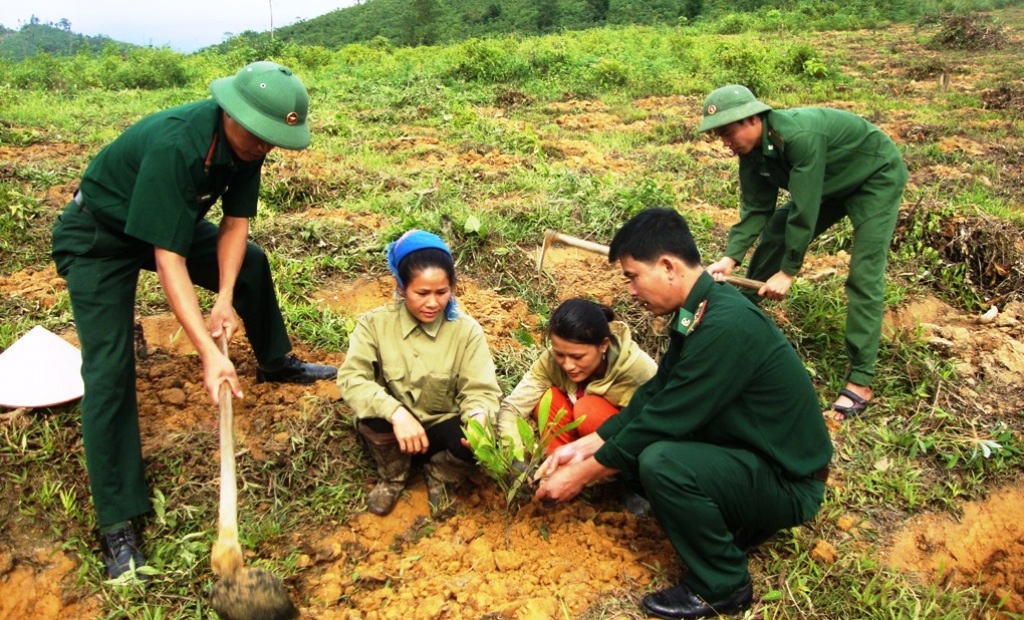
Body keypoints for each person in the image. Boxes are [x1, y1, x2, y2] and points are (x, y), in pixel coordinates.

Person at [51, 61, 338, 580]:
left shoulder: (250, 145)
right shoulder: (178, 144)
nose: (264, 147)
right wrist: (208, 352)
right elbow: (169, 260)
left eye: (274, 139)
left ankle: (275, 361)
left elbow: (235, 226)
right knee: (110, 368)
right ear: (232, 112)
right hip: (99, 238)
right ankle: (118, 519)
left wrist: (224, 298)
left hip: (168, 228)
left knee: (249, 264)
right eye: (260, 136)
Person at [535, 208, 833, 620]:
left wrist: (580, 475)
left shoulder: (725, 326)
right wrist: (586, 447)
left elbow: (666, 419)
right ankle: (735, 520)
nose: (632, 291)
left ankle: (723, 586)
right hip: (754, 458)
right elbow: (655, 396)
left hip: (789, 482)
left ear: (668, 266)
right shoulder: (700, 311)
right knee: (643, 447)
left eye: (633, 276)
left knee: (661, 460)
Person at [698, 84, 909, 421]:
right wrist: (730, 258)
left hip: (873, 176)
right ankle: (740, 313)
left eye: (727, 132)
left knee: (863, 275)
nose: (724, 142)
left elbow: (805, 210)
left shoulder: (798, 137)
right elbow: (756, 209)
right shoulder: (751, 152)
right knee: (775, 232)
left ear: (752, 118)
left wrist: (788, 271)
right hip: (831, 181)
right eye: (719, 135)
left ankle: (861, 379)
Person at [337, 229, 502, 516]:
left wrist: (478, 418)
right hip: (394, 432)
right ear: (401, 288)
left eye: (442, 292)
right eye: (422, 293)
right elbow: (352, 379)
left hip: (440, 428)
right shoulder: (374, 325)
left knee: (478, 434)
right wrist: (395, 413)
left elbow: (480, 390)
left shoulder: (466, 332)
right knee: (373, 417)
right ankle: (393, 477)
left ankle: (440, 474)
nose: (433, 303)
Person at [496, 298, 656, 455]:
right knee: (549, 398)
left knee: (588, 410)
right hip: (574, 450)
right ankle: (555, 466)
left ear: (603, 345)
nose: (567, 365)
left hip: (621, 451)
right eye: (559, 354)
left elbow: (653, 430)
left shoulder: (637, 370)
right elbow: (513, 408)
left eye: (577, 357)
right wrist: (515, 456)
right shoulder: (551, 362)